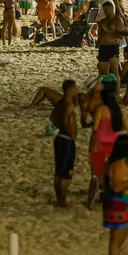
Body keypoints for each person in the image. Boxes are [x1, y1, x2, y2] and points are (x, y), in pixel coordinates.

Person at [88, 77, 124, 210]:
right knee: (110, 173)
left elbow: (95, 128)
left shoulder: (101, 110)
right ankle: (108, 200)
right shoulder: (117, 111)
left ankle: (90, 201)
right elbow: (124, 127)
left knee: (95, 175)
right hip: (113, 145)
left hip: (99, 144)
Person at [50, 79, 79, 208]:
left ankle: (58, 199)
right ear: (69, 90)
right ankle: (62, 200)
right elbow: (66, 120)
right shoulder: (68, 105)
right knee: (65, 174)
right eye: (75, 89)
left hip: (59, 138)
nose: (76, 90)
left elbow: (52, 117)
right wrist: (70, 133)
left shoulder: (60, 103)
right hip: (67, 140)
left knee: (58, 171)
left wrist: (60, 127)